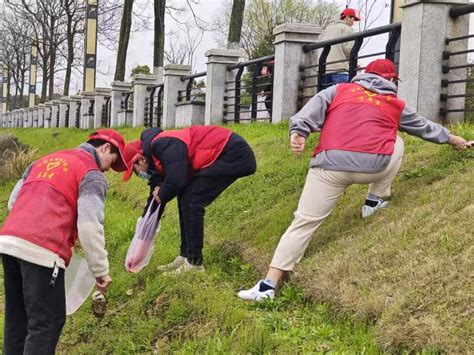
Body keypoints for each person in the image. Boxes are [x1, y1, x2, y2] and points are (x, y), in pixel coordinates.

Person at [237, 59, 471, 301]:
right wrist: (456, 140)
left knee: (303, 222)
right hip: (373, 166)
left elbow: (309, 111)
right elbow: (424, 127)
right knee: (397, 142)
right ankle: (374, 201)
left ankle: (268, 285)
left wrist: (299, 132)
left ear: (363, 76)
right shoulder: (395, 104)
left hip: (328, 165)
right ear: (391, 81)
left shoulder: (338, 90)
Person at [0, 129, 128, 354]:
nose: (107, 169)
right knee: (46, 323)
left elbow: (13, 202)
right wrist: (101, 271)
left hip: (9, 242)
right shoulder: (91, 174)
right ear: (105, 148)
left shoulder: (44, 160)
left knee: (16, 319)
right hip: (41, 250)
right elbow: (90, 226)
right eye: (112, 162)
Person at [123, 125, 256, 275]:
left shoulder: (162, 145)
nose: (138, 175)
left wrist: (162, 193)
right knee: (185, 196)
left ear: (141, 159)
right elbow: (156, 200)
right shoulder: (155, 161)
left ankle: (194, 263)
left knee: (192, 200)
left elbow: (176, 181)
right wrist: (141, 237)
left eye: (135, 171)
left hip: (231, 153)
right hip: (221, 154)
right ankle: (186, 255)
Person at [319, 8, 361, 87]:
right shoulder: (346, 29)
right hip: (339, 69)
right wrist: (355, 62)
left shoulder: (328, 29)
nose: (353, 23)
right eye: (353, 19)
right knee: (342, 96)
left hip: (323, 70)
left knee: (327, 97)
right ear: (347, 17)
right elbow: (349, 50)